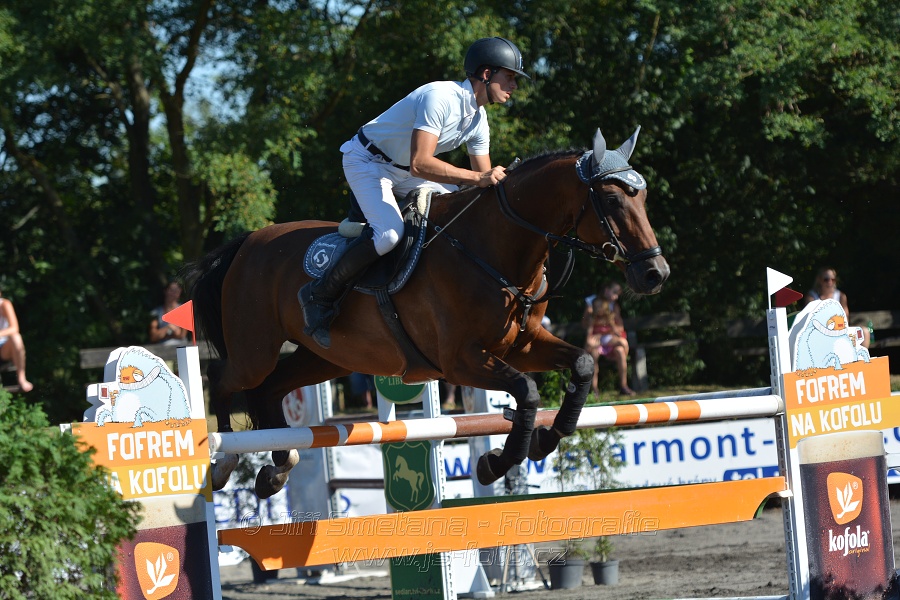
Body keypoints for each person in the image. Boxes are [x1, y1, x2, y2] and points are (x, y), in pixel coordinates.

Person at [299, 37, 530, 349]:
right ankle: (319, 295)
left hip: (403, 171)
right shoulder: (440, 97)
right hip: (367, 161)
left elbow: (480, 185)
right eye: (510, 77)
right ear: (487, 74)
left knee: (458, 207)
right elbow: (422, 164)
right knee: (389, 235)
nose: (514, 85)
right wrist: (479, 177)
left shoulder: (479, 119)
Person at [582, 281, 635, 396]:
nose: (615, 297)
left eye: (617, 295)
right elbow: (586, 326)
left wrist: (608, 329)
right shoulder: (592, 303)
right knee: (593, 355)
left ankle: (623, 386)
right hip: (597, 341)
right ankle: (594, 389)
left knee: (621, 350)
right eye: (614, 293)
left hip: (608, 339)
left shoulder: (613, 308)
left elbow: (619, 327)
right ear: (606, 290)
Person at [804, 267, 869, 348]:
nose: (830, 282)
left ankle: (863, 360)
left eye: (833, 279)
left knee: (864, 332)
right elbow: (811, 320)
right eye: (826, 279)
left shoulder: (841, 296)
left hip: (840, 331)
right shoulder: (812, 297)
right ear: (819, 280)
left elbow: (845, 319)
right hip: (820, 333)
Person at [0, 287, 33, 392]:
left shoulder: (4, 304)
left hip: (3, 349)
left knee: (16, 337)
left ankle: (21, 378)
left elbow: (14, 328)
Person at [149, 281, 189, 345]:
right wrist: (168, 327)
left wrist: (162, 334)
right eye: (171, 290)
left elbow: (182, 335)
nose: (173, 293)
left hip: (181, 347)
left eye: (176, 290)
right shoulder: (155, 312)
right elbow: (153, 337)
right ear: (165, 291)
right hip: (161, 349)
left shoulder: (184, 310)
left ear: (180, 292)